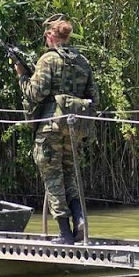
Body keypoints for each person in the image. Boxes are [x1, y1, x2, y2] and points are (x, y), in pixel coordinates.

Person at [16, 15, 98, 245]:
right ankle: (79, 220)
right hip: (74, 128)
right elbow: (94, 97)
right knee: (70, 175)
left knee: (53, 178)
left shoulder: (48, 59)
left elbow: (35, 93)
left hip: (50, 127)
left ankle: (64, 233)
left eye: (46, 35)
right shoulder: (83, 61)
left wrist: (22, 75)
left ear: (51, 35)